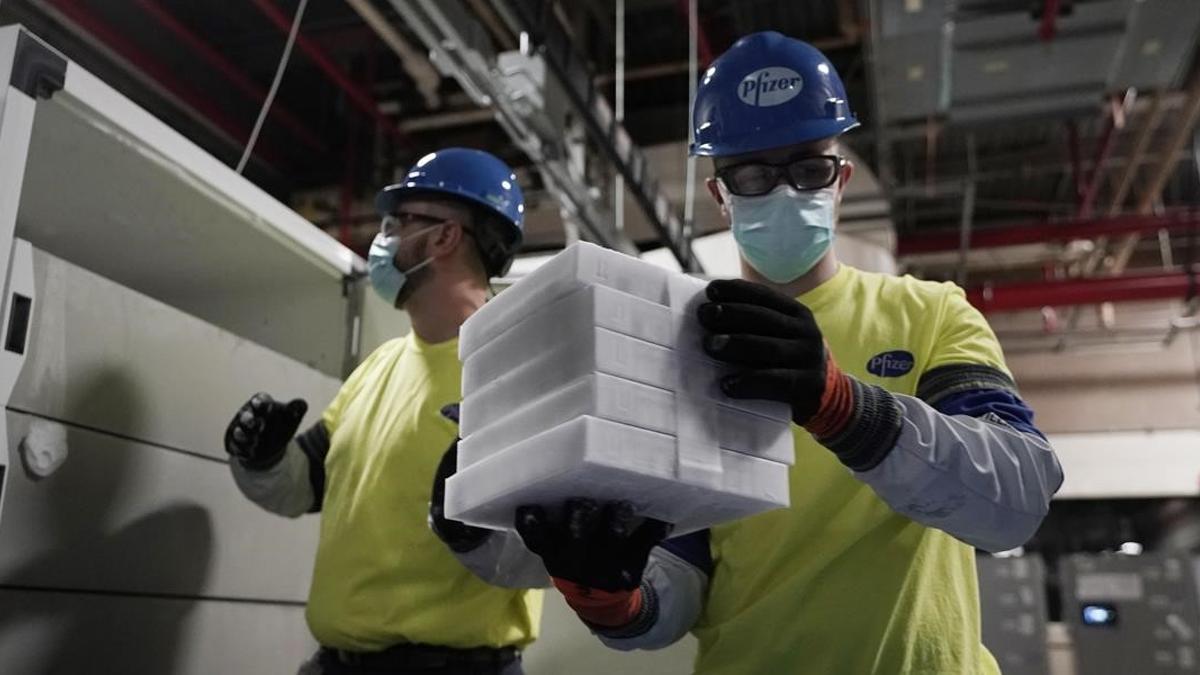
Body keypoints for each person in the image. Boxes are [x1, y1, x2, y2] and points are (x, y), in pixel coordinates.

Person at [509, 32, 1064, 674]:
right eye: (750, 173)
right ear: (721, 195)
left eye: (808, 168)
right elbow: (683, 579)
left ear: (841, 180)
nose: (783, 191)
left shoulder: (931, 312)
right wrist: (616, 600)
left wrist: (844, 408)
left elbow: (1016, 504)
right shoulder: (676, 344)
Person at [223, 148, 543, 675]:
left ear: (444, 237)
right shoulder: (377, 368)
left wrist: (473, 532)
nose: (384, 239)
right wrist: (261, 459)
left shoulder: (519, 371)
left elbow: (553, 547)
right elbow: (304, 488)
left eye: (398, 223)